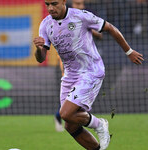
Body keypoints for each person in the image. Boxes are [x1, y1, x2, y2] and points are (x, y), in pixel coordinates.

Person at [33, 0, 144, 149]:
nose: (50, 8)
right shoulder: (45, 24)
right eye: (47, 4)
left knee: (65, 114)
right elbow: (41, 58)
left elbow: (110, 28)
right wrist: (39, 48)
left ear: (64, 1)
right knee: (70, 126)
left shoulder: (81, 16)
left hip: (90, 71)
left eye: (54, 3)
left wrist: (129, 51)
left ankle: (99, 124)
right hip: (69, 75)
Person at [54, 0, 103, 133]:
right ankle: (61, 116)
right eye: (77, 4)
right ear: (71, 5)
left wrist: (88, 30)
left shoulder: (86, 17)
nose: (80, 6)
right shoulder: (65, 18)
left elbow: (101, 35)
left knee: (74, 103)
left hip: (87, 64)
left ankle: (64, 117)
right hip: (70, 65)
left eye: (81, 4)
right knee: (71, 103)